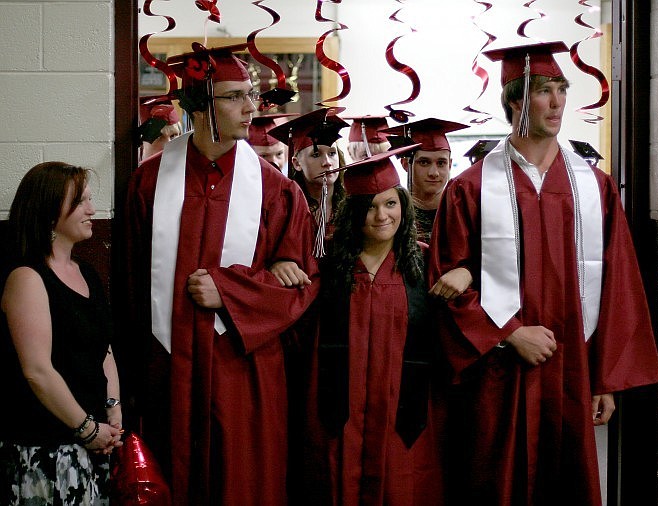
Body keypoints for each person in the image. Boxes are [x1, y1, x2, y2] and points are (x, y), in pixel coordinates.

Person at [427, 41, 658, 505]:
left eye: (561, 89)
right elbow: (446, 279)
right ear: (515, 100)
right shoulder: (471, 188)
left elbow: (618, 286)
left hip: (572, 369)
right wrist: (509, 333)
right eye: (543, 91)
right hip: (499, 375)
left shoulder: (592, 186)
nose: (557, 103)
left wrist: (604, 380)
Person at [124, 45, 319, 506]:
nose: (251, 107)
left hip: (242, 372)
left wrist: (230, 292)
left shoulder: (277, 191)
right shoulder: (149, 183)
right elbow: (131, 284)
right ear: (201, 107)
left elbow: (303, 288)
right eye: (235, 97)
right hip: (166, 369)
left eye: (250, 95)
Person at [303, 145, 444, 505]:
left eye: (390, 203)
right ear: (352, 213)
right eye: (369, 206)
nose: (381, 215)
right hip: (340, 419)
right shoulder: (325, 266)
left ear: (403, 206)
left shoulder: (426, 265)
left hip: (405, 419)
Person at [0, 162, 123, 505]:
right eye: (80, 201)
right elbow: (38, 370)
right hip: (45, 449)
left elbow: (105, 349)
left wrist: (113, 409)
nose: (92, 210)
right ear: (50, 213)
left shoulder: (86, 273)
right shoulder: (27, 278)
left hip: (91, 444)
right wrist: (87, 428)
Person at [268, 107, 349, 256]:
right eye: (316, 154)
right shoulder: (286, 209)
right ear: (296, 163)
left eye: (332, 153)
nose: (327, 162)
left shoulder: (352, 206)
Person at [380, 118, 468, 243]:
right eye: (424, 162)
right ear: (405, 164)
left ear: (450, 165)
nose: (434, 173)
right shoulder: (393, 215)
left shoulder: (460, 213)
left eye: (441, 163)